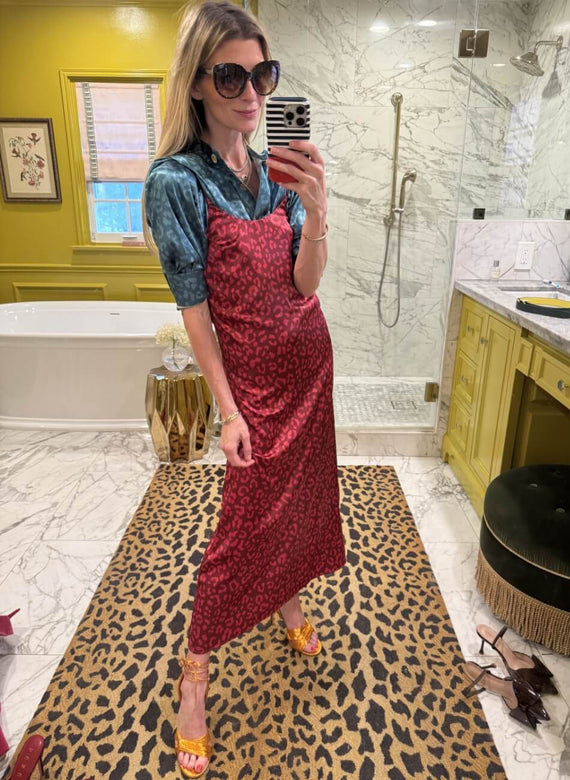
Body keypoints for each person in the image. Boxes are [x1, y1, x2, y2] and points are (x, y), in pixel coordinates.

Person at [144, 2, 346, 776]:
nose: (252, 92)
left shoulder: (278, 173)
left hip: (310, 372)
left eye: (264, 74)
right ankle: (194, 675)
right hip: (254, 392)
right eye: (231, 76)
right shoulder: (176, 181)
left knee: (298, 506)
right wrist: (227, 410)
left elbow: (305, 283)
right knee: (239, 534)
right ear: (196, 82)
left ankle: (288, 597)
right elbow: (196, 312)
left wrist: (317, 212)